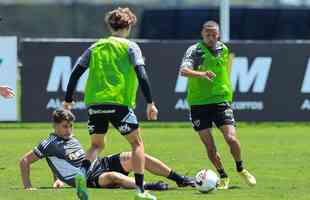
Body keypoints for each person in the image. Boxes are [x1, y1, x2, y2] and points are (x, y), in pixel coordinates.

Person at [63, 7, 168, 200]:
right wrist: (150, 102)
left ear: (110, 25)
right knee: (137, 143)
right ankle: (140, 191)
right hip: (119, 103)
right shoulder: (130, 46)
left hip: (95, 103)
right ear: (129, 25)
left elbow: (75, 73)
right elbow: (141, 75)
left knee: (96, 146)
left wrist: (68, 100)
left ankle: (81, 173)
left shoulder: (95, 47)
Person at [19, 109, 194, 194]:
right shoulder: (48, 142)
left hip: (99, 163)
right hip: (88, 178)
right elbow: (24, 161)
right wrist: (28, 186)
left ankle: (180, 179)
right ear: (55, 126)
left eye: (71, 125)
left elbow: (58, 161)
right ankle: (148, 185)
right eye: (65, 126)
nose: (69, 129)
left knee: (137, 156)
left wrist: (57, 179)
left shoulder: (70, 138)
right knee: (112, 177)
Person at [179, 20, 256, 189]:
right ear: (202, 34)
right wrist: (202, 74)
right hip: (198, 104)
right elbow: (183, 71)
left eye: (214, 34)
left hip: (220, 101)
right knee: (210, 146)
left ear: (218, 34)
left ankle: (241, 168)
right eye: (208, 35)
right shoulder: (195, 50)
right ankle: (222, 176)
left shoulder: (223, 48)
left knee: (231, 138)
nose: (211, 38)